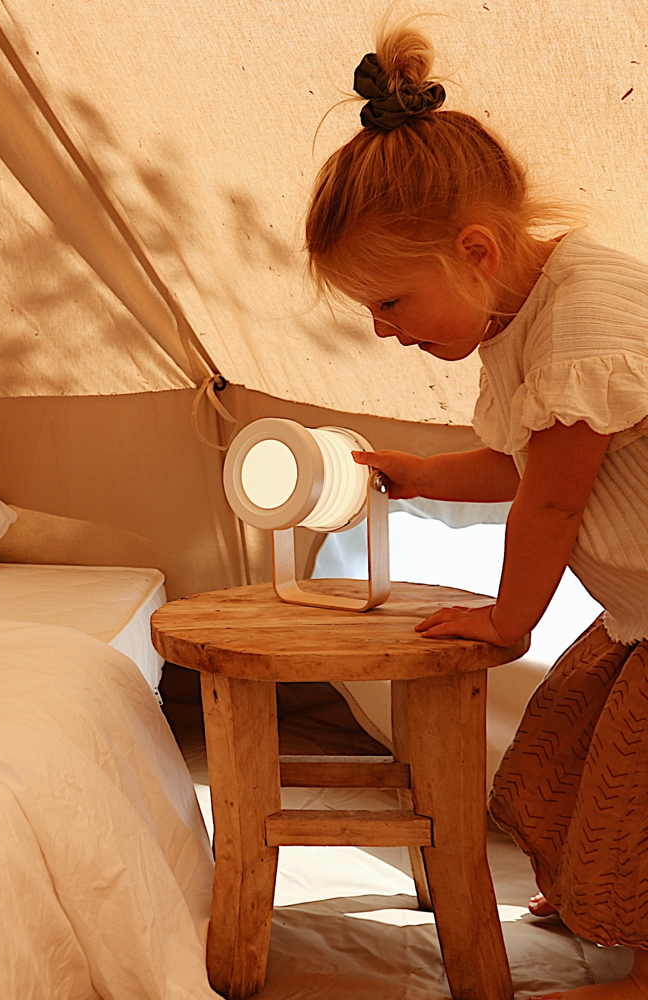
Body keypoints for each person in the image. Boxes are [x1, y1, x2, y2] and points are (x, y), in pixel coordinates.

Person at [303, 7, 648, 1000]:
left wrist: (509, 619)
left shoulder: (582, 323)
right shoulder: (519, 314)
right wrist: (414, 468)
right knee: (568, 745)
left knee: (638, 791)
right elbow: (516, 468)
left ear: (476, 252)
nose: (379, 329)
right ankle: (596, 889)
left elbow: (548, 509)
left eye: (392, 303)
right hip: (638, 609)